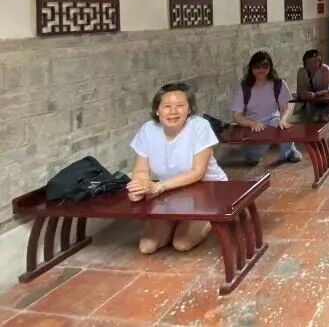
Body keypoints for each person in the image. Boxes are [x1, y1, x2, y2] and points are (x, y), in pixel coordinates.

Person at [127, 82, 227, 254]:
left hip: (207, 190)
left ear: (189, 109)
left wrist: (158, 186)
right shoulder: (148, 130)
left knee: (182, 243)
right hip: (171, 192)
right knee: (147, 246)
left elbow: (197, 172)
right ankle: (175, 219)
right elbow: (141, 171)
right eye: (167, 106)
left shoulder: (200, 126)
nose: (173, 111)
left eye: (180, 106)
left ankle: (208, 220)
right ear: (157, 110)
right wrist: (138, 187)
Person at [229, 51, 302, 165]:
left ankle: (289, 152)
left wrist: (283, 119)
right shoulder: (244, 88)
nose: (261, 69)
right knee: (254, 157)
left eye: (265, 66)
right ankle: (253, 154)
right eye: (257, 66)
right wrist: (251, 123)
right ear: (251, 68)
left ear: (270, 67)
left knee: (282, 127)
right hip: (253, 124)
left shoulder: (278, 84)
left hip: (273, 121)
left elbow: (285, 108)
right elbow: (236, 116)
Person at [295, 49, 329, 122]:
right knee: (312, 120)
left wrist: (315, 94)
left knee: (326, 119)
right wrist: (304, 95)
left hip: (326, 97)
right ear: (305, 63)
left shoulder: (326, 69)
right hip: (311, 99)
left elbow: (327, 89)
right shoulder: (302, 71)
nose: (312, 65)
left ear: (319, 61)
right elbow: (300, 88)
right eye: (309, 62)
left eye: (315, 61)